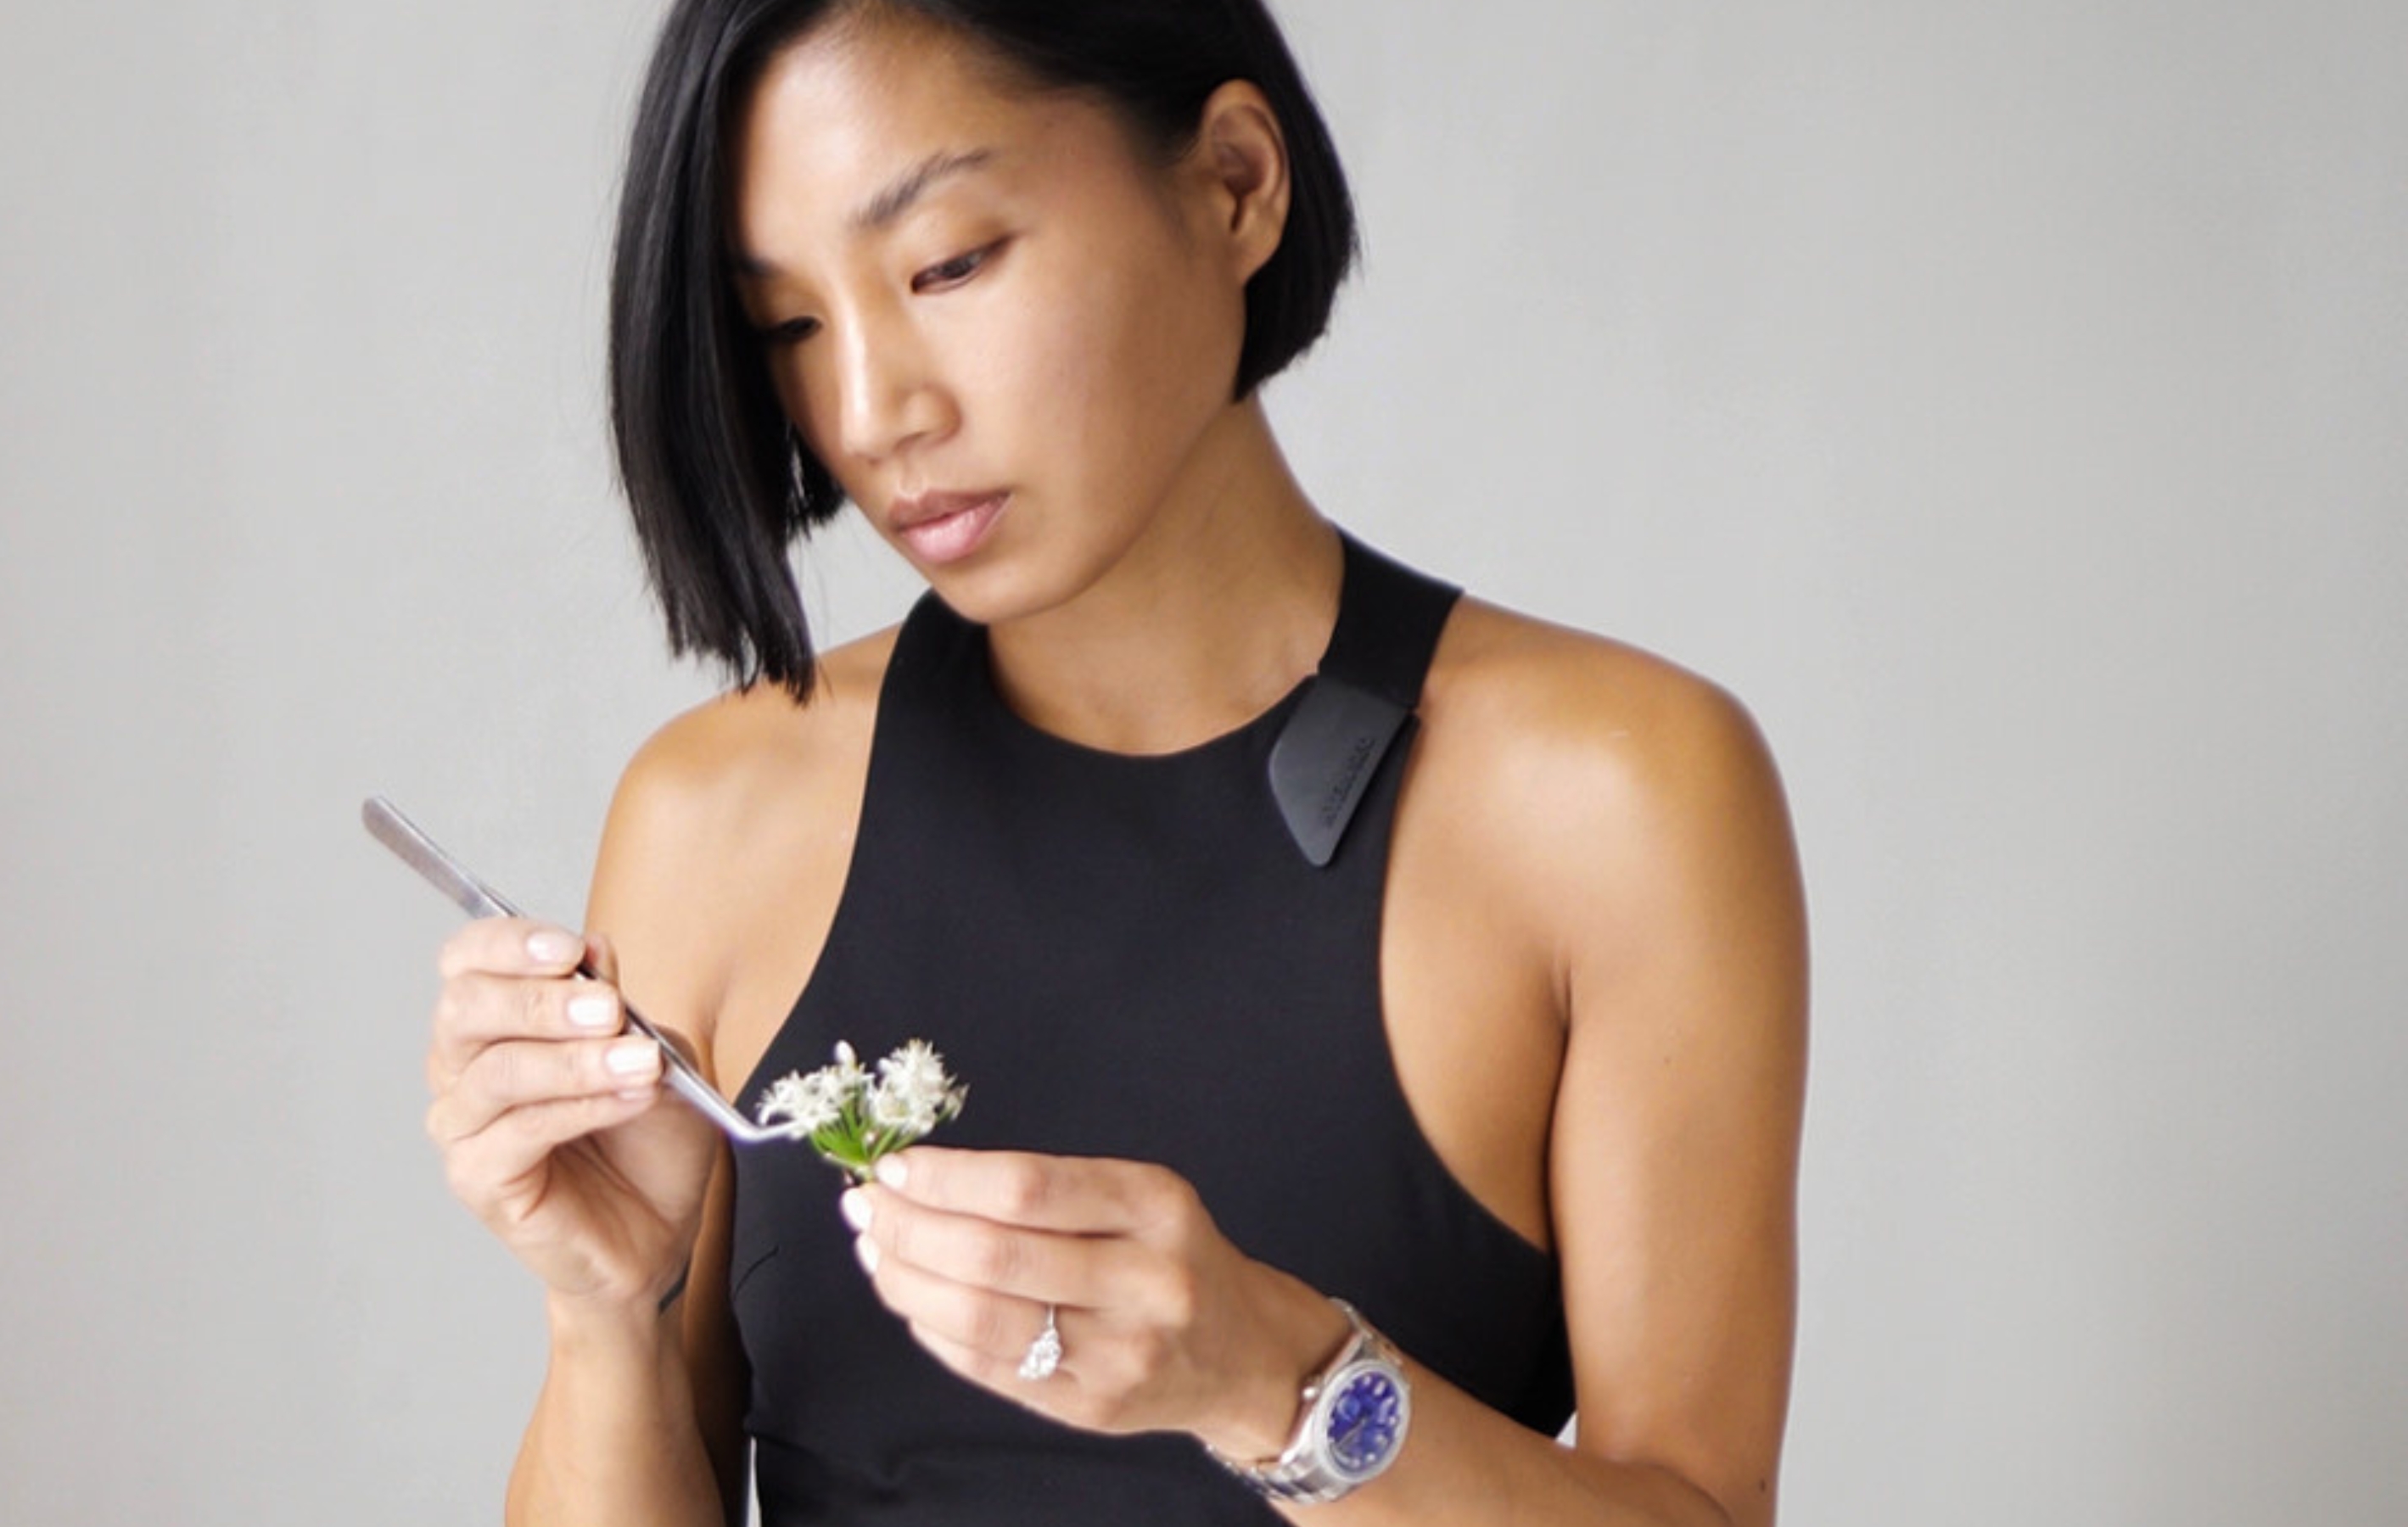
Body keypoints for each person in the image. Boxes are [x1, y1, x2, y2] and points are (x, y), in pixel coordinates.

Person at [420, 1, 1808, 1522]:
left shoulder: (1616, 796)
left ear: (1233, 183)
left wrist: (1281, 1387)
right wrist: (605, 1313)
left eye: (949, 264)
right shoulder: (714, 817)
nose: (873, 415)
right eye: (791, 328)